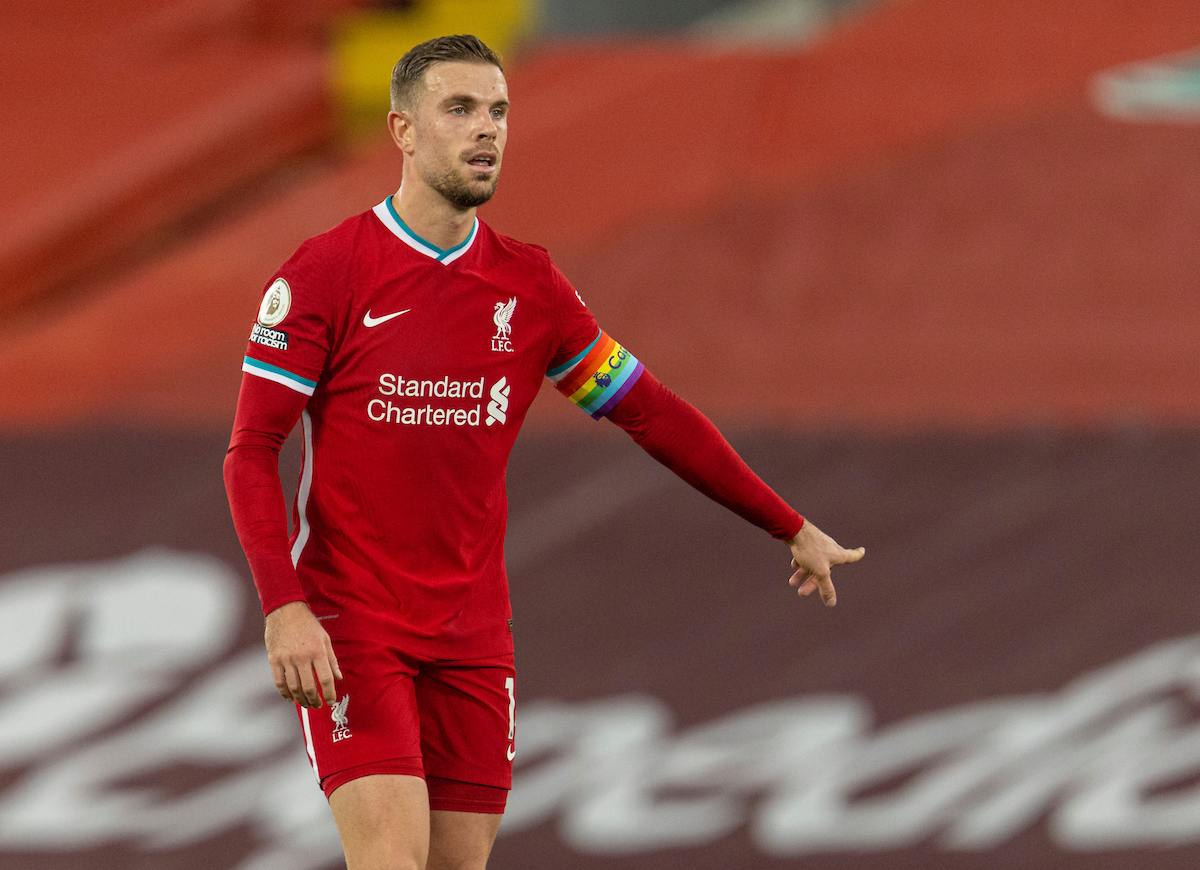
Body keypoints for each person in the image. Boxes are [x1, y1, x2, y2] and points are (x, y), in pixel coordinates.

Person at [223, 33, 864, 870]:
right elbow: (250, 450)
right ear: (403, 130)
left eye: (497, 111)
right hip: (354, 620)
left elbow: (653, 413)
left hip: (472, 628)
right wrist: (284, 608)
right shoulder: (326, 274)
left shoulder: (531, 288)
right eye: (458, 110)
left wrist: (789, 525)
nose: (485, 130)